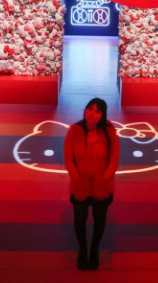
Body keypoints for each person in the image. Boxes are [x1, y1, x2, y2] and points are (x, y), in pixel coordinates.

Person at [63, 97, 120, 270]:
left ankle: (94, 249)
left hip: (102, 186)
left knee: (99, 219)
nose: (92, 114)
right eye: (90, 109)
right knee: (79, 219)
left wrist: (104, 179)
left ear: (103, 115)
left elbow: (114, 161)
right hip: (80, 186)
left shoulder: (109, 132)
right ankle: (82, 249)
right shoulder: (74, 130)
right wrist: (77, 178)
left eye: (97, 111)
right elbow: (69, 160)